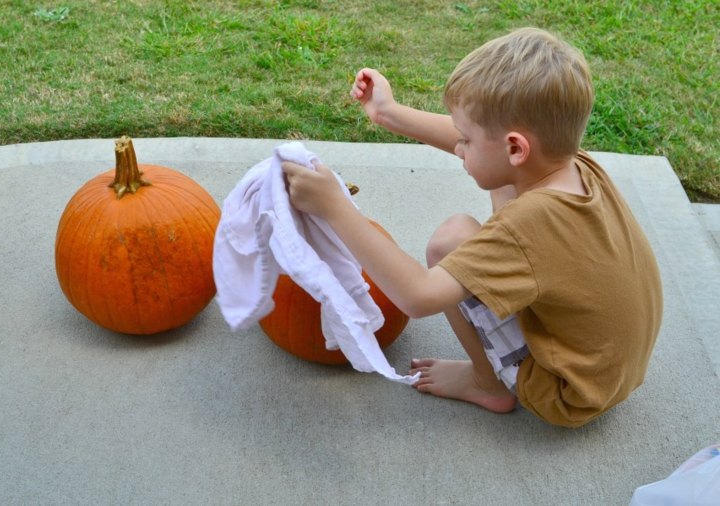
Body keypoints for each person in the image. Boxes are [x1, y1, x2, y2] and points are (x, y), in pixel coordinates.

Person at [281, 27, 663, 428]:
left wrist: (335, 207)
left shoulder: (527, 228)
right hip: (609, 367)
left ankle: (488, 384)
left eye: (465, 139)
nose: (458, 146)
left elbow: (417, 297)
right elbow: (492, 149)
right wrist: (389, 113)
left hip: (569, 393)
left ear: (516, 147)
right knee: (502, 183)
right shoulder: (571, 166)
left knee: (451, 242)